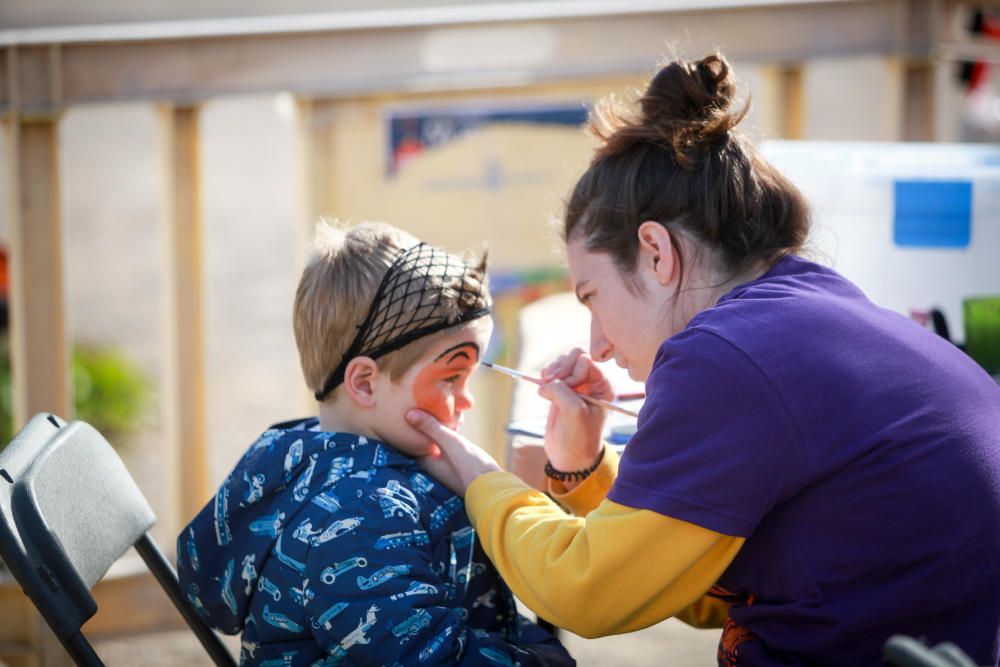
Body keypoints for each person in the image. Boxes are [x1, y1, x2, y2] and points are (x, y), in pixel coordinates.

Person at [409, 53, 1000, 666]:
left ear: (657, 252)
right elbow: (698, 580)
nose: (599, 344)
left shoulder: (726, 355)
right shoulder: (809, 312)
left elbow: (586, 592)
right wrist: (586, 470)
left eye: (593, 295)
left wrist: (476, 476)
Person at [177, 222, 573, 666]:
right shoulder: (359, 513)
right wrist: (542, 657)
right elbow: (426, 658)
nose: (467, 398)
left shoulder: (343, 456)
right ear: (365, 383)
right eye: (450, 378)